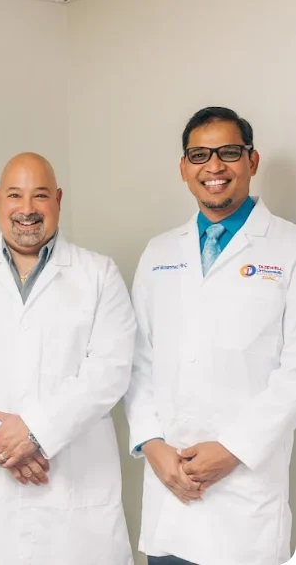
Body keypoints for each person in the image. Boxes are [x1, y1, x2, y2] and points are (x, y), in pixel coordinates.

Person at [0, 152, 136, 564]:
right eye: (15, 195)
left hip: (73, 496)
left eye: (40, 195)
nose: (27, 209)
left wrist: (36, 431)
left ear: (58, 199)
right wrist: (1, 443)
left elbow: (110, 371)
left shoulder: (99, 275)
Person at [124, 106, 296, 565]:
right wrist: (152, 444)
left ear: (252, 161)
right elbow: (138, 360)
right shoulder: (159, 252)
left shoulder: (288, 247)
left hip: (245, 500)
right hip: (170, 491)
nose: (214, 166)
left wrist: (234, 449)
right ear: (184, 168)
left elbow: (294, 372)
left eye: (229, 152)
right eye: (199, 155)